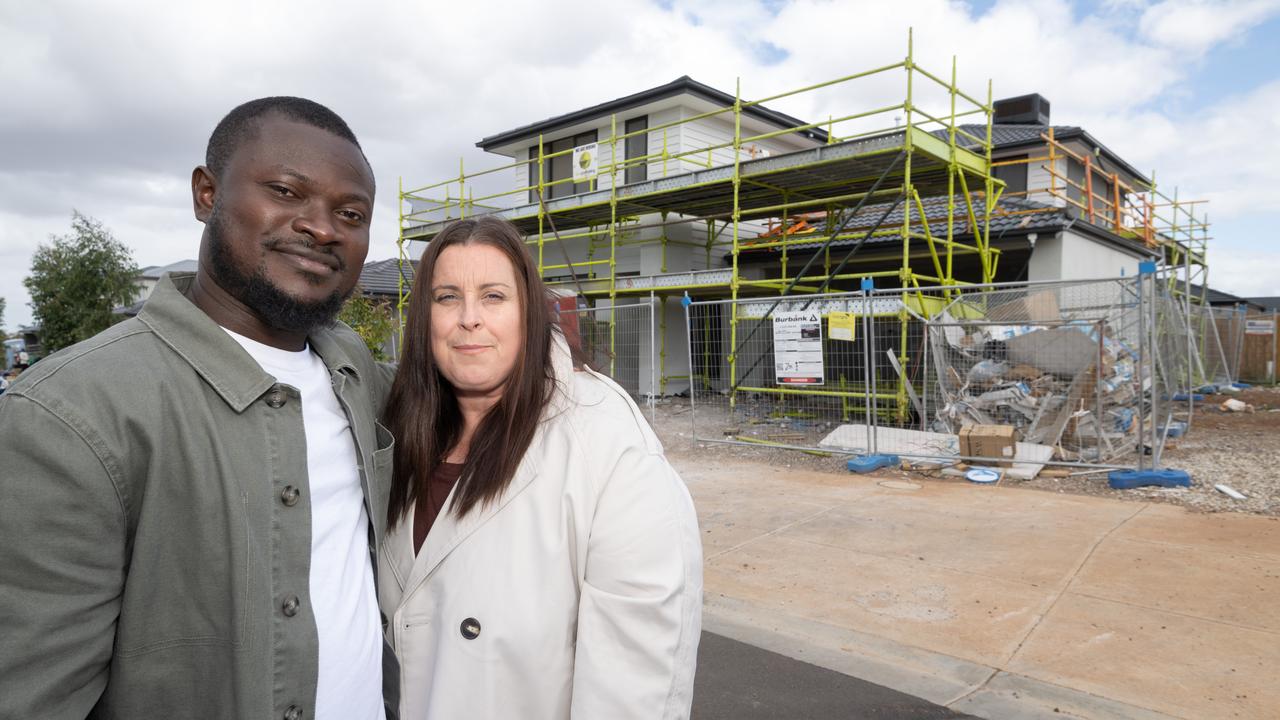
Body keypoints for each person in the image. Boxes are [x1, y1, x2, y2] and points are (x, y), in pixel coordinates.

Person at [0, 97, 397, 719]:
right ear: (206, 194)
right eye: (287, 192)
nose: (322, 227)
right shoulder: (73, 413)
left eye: (350, 213)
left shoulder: (354, 371)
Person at [379, 216, 703, 720]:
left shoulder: (605, 440)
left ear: (528, 311)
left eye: (493, 296)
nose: (469, 318)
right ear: (425, 318)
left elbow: (634, 680)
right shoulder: (402, 430)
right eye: (446, 297)